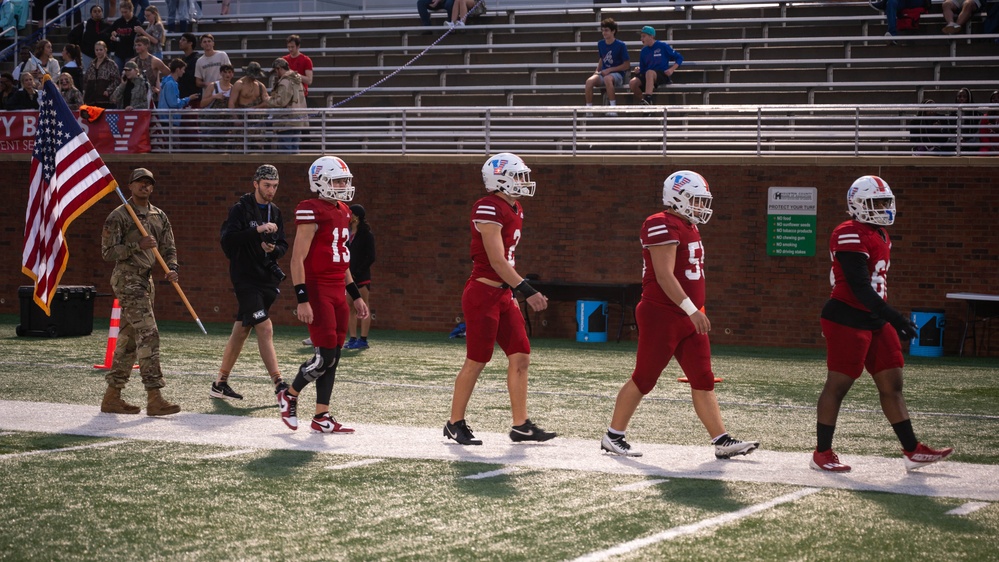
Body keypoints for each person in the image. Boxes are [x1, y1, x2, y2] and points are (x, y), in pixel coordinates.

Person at [600, 171, 759, 460]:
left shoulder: (688, 226)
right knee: (644, 378)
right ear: (677, 197)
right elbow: (664, 276)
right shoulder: (660, 223)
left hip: (688, 314)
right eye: (696, 200)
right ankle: (613, 435)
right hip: (663, 314)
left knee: (703, 378)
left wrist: (695, 311)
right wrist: (690, 310)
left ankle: (721, 440)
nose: (701, 207)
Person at [811, 175, 954, 473]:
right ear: (857, 204)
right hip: (847, 316)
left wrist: (887, 318)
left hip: (875, 318)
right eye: (875, 203)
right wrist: (896, 318)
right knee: (839, 385)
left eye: (885, 202)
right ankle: (822, 452)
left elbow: (873, 290)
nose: (882, 208)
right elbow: (860, 288)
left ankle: (912, 449)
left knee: (893, 383)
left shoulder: (882, 234)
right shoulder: (848, 232)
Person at [444, 153, 556, 446]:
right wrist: (527, 290)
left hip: (503, 294)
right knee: (477, 360)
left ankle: (521, 425)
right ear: (500, 178)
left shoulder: (514, 207)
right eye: (518, 176)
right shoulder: (487, 206)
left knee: (521, 356)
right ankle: (455, 422)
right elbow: (495, 259)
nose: (523, 181)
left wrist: (513, 291)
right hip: (482, 292)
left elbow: (505, 259)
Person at [276, 156, 370, 433]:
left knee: (334, 356)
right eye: (338, 180)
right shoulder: (310, 208)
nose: (343, 185)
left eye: (345, 180)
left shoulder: (342, 210)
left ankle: (321, 415)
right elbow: (297, 258)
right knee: (324, 356)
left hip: (337, 290)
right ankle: (289, 395)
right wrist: (302, 298)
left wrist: (356, 295)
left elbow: (342, 262)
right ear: (320, 181)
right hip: (316, 288)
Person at [99, 167, 182, 417]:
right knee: (149, 333)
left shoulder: (159, 215)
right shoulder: (120, 216)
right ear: (131, 186)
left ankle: (112, 396)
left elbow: (169, 247)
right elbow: (107, 252)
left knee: (130, 341)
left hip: (147, 281)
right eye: (139, 183)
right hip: (127, 278)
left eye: (148, 183)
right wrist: (137, 245)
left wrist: (172, 268)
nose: (144, 187)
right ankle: (154, 397)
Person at [212, 164, 289, 401]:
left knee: (241, 330)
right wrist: (257, 231)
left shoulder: (275, 211)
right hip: (245, 277)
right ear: (255, 184)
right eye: (267, 185)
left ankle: (220, 383)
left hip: (265, 277)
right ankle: (279, 384)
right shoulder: (241, 209)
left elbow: (284, 245)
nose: (271, 190)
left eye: (275, 186)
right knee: (264, 327)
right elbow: (228, 241)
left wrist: (273, 248)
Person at [344, 204, 375, 350]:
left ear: (356, 216)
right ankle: (352, 338)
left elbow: (371, 257)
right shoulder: (346, 233)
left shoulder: (366, 234)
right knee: (350, 307)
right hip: (348, 276)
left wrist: (357, 271)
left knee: (364, 306)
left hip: (361, 276)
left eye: (350, 214)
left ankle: (363, 339)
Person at [584, 18, 629, 116]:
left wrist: (610, 70)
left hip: (617, 74)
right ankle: (589, 109)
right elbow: (602, 58)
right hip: (604, 73)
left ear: (613, 31)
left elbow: (626, 65)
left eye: (606, 30)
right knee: (589, 81)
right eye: (603, 30)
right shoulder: (600, 43)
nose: (604, 32)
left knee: (608, 79)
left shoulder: (621, 45)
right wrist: (597, 71)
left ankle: (613, 108)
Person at [261, 58, 307, 153]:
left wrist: (267, 99)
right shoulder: (297, 79)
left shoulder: (285, 82)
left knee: (285, 150)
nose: (275, 74)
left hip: (286, 121)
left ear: (279, 68)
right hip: (298, 119)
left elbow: (281, 102)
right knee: (294, 148)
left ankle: (287, 168)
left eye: (275, 71)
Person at [629, 25, 682, 106]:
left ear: (651, 36)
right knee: (632, 82)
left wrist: (671, 69)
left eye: (644, 36)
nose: (641, 39)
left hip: (661, 74)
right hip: (648, 74)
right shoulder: (643, 51)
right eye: (641, 37)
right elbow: (643, 69)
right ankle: (644, 102)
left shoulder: (662, 46)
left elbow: (679, 58)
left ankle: (648, 99)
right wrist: (638, 70)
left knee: (649, 72)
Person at [68, 4, 109, 71]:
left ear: (102, 13)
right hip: (87, 55)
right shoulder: (85, 25)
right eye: (95, 11)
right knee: (89, 74)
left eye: (99, 11)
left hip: (103, 54)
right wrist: (81, 46)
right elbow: (71, 36)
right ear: (91, 14)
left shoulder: (107, 26)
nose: (97, 13)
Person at [129, 36, 169, 105]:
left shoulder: (155, 61)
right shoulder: (133, 61)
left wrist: (160, 88)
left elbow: (169, 73)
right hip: (137, 99)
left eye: (139, 45)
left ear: (146, 46)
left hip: (152, 98)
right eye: (135, 45)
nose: (136, 47)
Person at [83, 41, 118, 108]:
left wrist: (108, 90)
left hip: (105, 100)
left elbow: (116, 80)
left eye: (100, 50)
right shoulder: (91, 64)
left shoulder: (111, 64)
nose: (98, 52)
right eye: (97, 50)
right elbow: (86, 80)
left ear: (105, 49)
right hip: (91, 100)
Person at [108, 1, 141, 72]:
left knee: (130, 73)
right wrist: (112, 33)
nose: (124, 14)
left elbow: (132, 38)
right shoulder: (118, 22)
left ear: (131, 10)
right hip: (119, 53)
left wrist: (117, 39)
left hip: (130, 53)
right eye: (122, 12)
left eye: (126, 12)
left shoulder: (136, 22)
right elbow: (110, 31)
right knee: (117, 73)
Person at [177, 32, 201, 99]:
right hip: (182, 96)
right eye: (180, 39)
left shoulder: (196, 60)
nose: (180, 42)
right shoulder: (182, 59)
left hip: (193, 96)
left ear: (190, 43)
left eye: (183, 40)